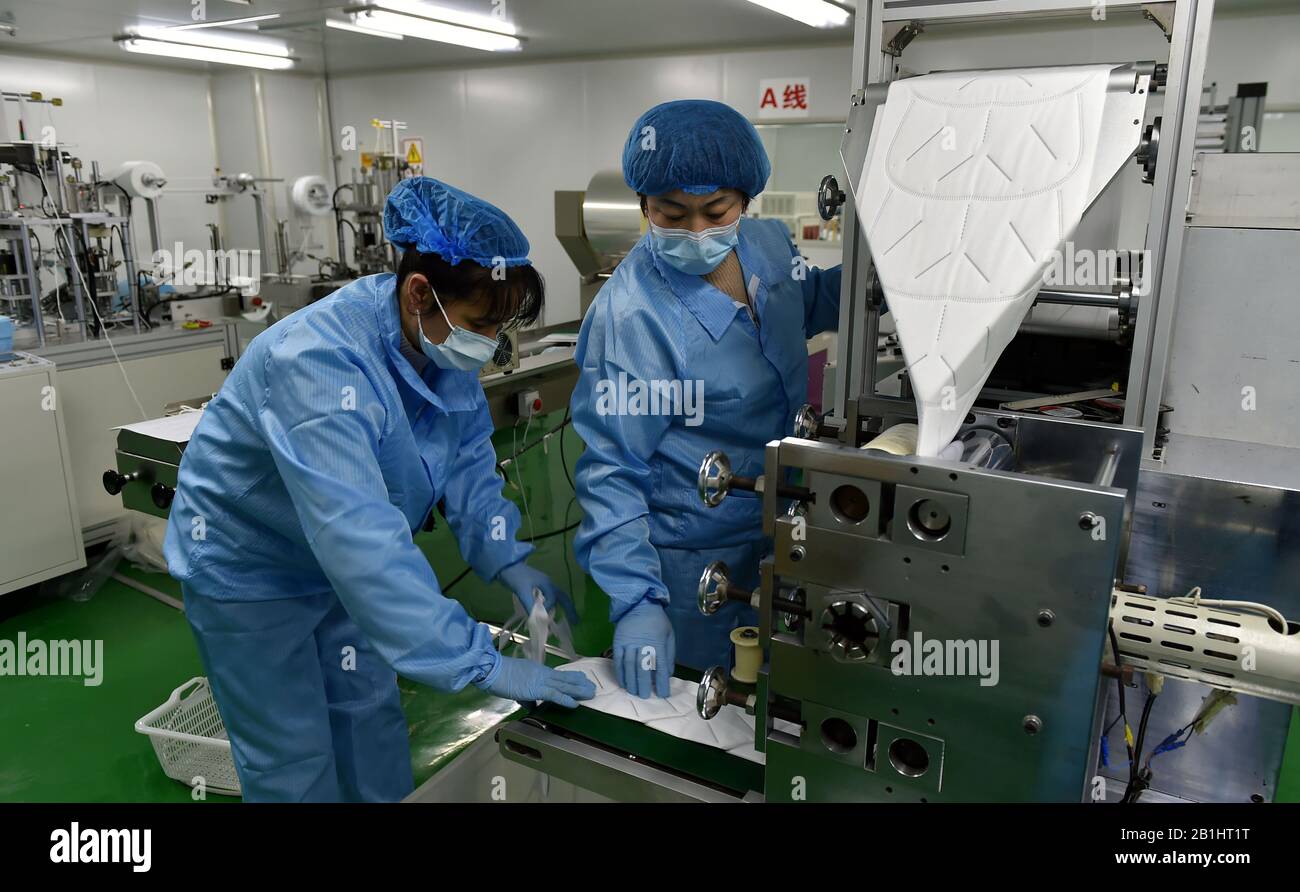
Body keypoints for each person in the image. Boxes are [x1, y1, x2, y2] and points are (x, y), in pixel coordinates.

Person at [164, 176, 594, 802]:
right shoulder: (317, 361)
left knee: (370, 725)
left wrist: (510, 562)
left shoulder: (443, 352)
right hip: (251, 573)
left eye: (502, 328)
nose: (491, 345)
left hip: (336, 572)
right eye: (482, 323)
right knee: (293, 759)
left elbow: (472, 471)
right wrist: (482, 660)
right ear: (419, 292)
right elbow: (360, 540)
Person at [571, 99, 842, 698]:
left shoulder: (768, 246)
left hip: (787, 530)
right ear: (643, 204)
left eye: (715, 211)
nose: (696, 231)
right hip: (692, 567)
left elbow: (806, 306)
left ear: (746, 201)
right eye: (672, 213)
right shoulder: (632, 318)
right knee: (704, 723)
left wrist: (868, 285)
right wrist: (638, 601)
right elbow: (612, 474)